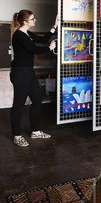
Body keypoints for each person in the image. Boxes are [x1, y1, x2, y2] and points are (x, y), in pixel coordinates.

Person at [10, 10, 58, 147]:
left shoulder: (27, 33)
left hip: (28, 71)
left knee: (37, 99)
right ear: (25, 22)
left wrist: (54, 26)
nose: (35, 20)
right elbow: (34, 49)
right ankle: (17, 135)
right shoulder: (19, 34)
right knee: (18, 104)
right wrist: (49, 48)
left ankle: (35, 131)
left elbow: (41, 39)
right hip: (20, 72)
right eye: (32, 19)